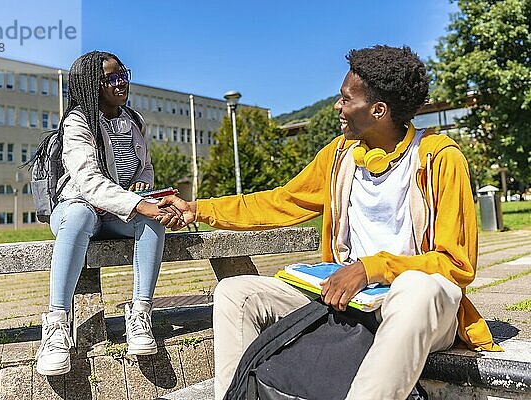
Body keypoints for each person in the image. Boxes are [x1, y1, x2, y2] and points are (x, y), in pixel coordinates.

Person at [157, 45, 501, 400]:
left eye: (345, 99)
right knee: (236, 293)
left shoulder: (440, 157)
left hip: (421, 308)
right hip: (347, 298)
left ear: (378, 110)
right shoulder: (339, 156)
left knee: (417, 288)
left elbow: (455, 265)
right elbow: (281, 201)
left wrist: (372, 268)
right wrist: (196, 209)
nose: (337, 106)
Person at [34, 51, 175, 376]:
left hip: (115, 212)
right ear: (91, 85)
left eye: (122, 73)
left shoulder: (134, 120)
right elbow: (90, 183)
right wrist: (139, 203)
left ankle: (140, 314)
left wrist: (142, 184)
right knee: (82, 215)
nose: (120, 81)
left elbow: (146, 166)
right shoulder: (78, 121)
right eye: (110, 78)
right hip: (75, 209)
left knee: (153, 219)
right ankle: (56, 326)